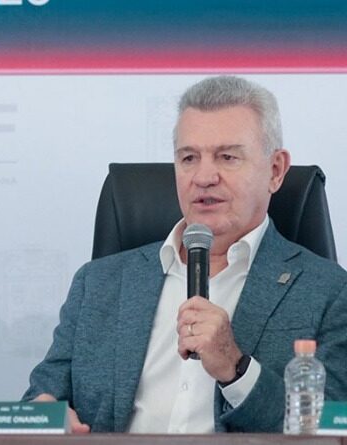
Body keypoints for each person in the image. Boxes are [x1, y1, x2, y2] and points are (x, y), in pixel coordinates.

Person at [23, 75, 347, 433]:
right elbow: (41, 397)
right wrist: (45, 417)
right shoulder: (98, 283)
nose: (204, 176)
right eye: (189, 157)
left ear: (275, 170)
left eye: (227, 157)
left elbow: (331, 428)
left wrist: (236, 368)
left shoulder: (328, 292)